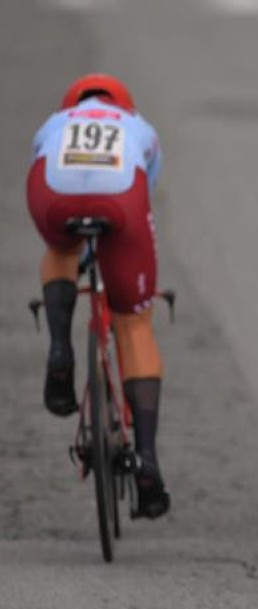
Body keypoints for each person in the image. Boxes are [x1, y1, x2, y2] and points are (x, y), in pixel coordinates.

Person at [27, 73, 170, 519]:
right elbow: (145, 192)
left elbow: (41, 164)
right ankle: (146, 458)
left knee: (60, 248)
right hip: (120, 201)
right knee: (133, 321)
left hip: (53, 195)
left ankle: (59, 349)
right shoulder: (138, 125)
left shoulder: (54, 123)